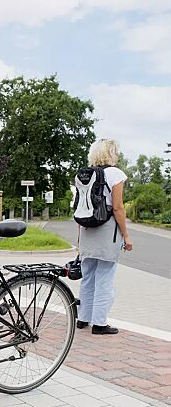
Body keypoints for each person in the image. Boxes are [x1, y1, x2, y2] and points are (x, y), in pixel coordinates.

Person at [77, 138, 133, 335]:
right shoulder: (116, 174)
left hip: (87, 230)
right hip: (107, 232)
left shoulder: (85, 174)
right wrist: (126, 236)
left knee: (88, 277)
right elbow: (118, 208)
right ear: (112, 153)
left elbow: (80, 206)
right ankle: (99, 323)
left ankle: (83, 319)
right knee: (105, 278)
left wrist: (79, 239)